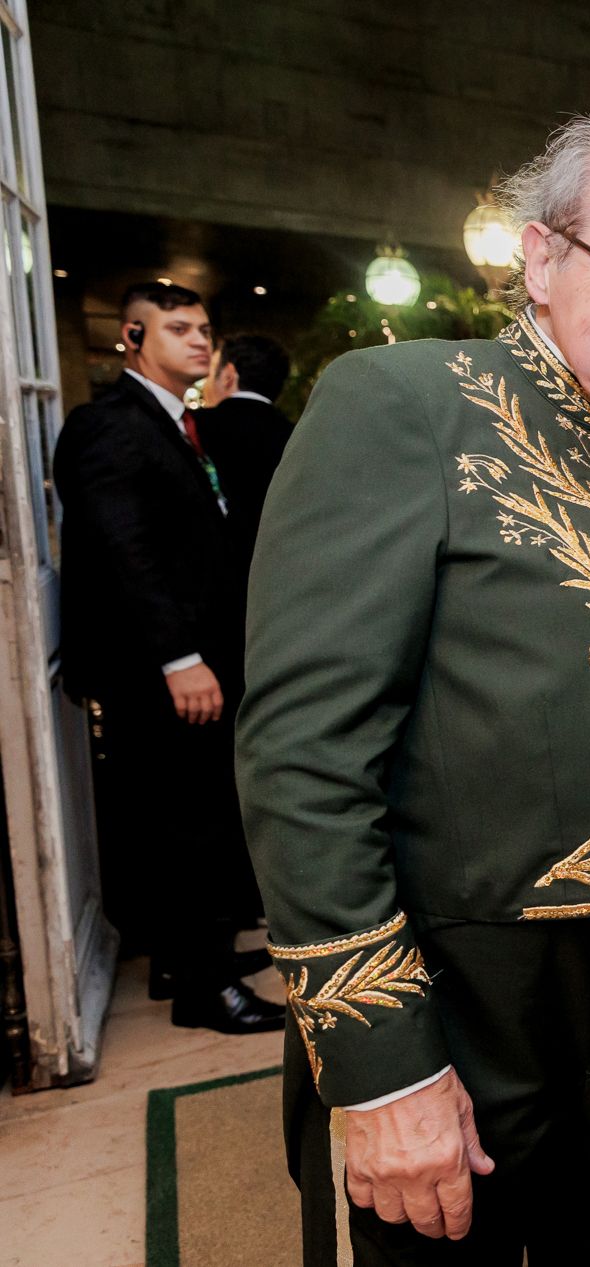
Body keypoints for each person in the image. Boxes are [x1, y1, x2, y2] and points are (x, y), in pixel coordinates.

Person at [236, 120, 590, 1264]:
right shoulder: (403, 405)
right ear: (540, 258)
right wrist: (385, 1068)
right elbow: (304, 762)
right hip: (464, 1007)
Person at [51, 281, 282, 1033]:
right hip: (157, 667)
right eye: (178, 328)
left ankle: (195, 957)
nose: (198, 341)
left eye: (204, 329)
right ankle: (203, 989)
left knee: (201, 814)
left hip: (192, 657)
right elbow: (127, 552)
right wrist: (180, 657)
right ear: (131, 337)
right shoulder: (108, 423)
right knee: (189, 823)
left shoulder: (181, 421)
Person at [197, 332, 294, 566]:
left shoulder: (195, 427)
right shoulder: (297, 435)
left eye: (210, 375)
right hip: (281, 565)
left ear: (229, 375)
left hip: (212, 568)